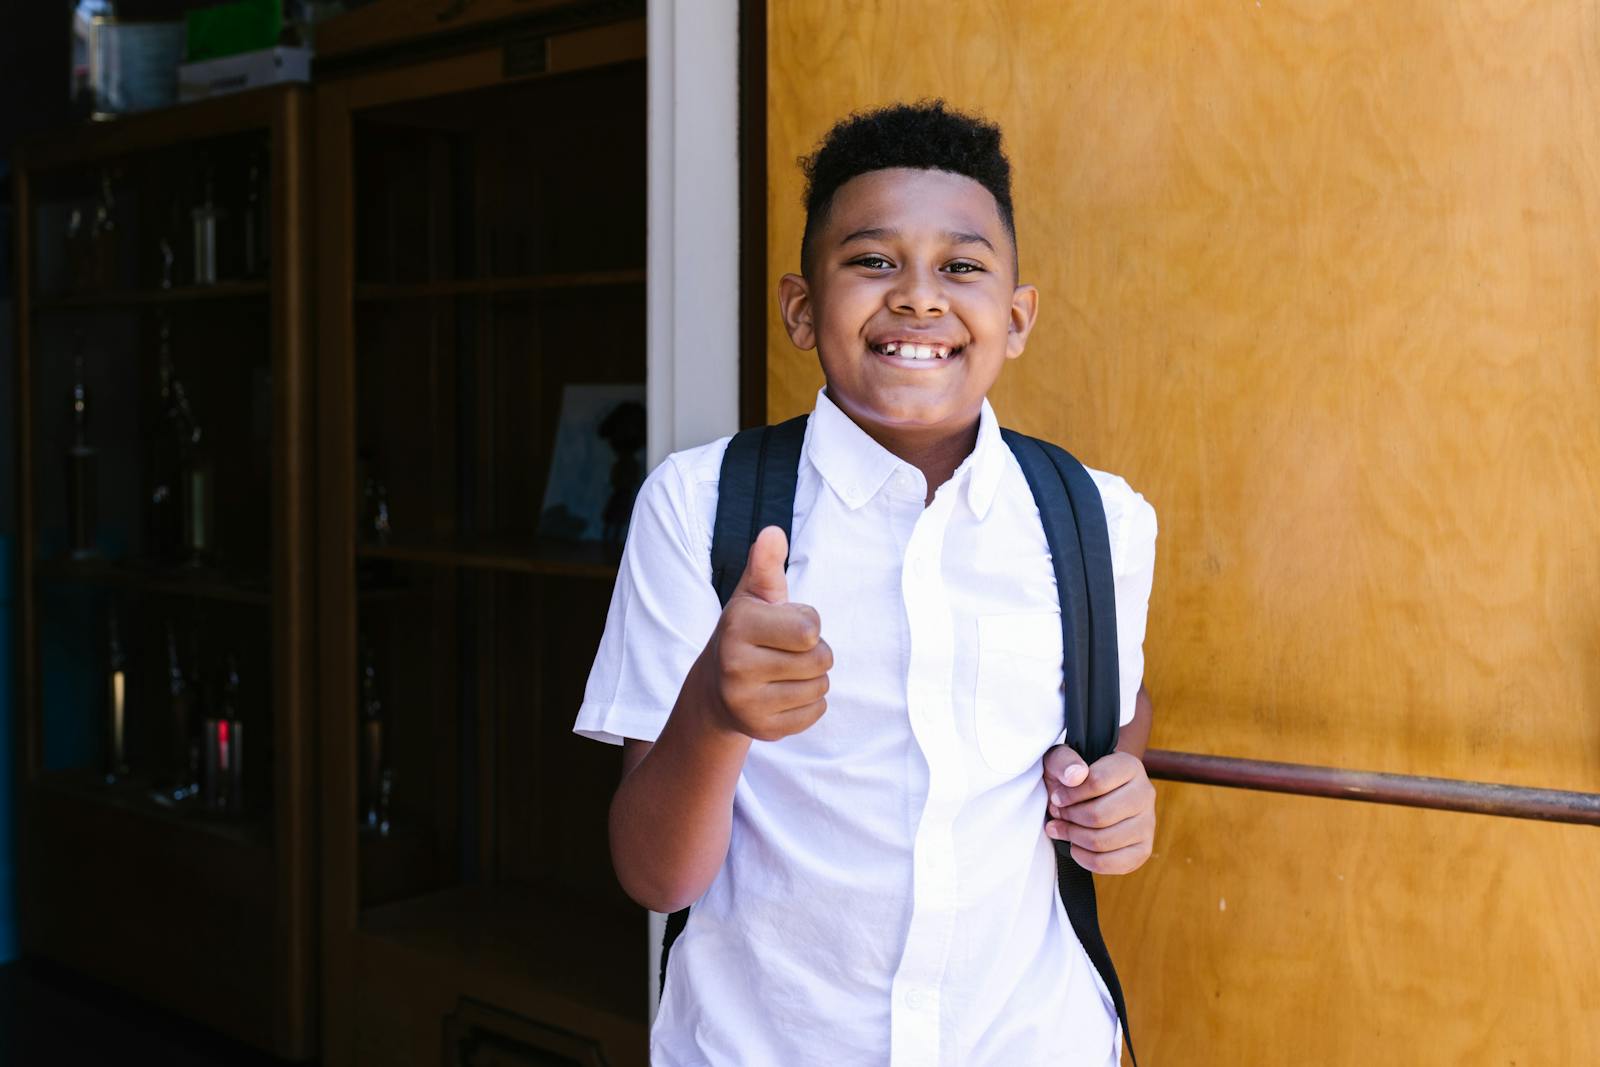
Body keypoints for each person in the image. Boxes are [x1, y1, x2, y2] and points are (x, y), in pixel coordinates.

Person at [574, 100, 1159, 1067]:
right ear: (802, 309)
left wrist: (1118, 780)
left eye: (962, 266)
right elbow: (653, 874)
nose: (920, 298)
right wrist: (717, 711)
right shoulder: (699, 505)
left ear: (1016, 319)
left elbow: (1119, 690)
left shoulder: (1102, 518)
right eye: (874, 260)